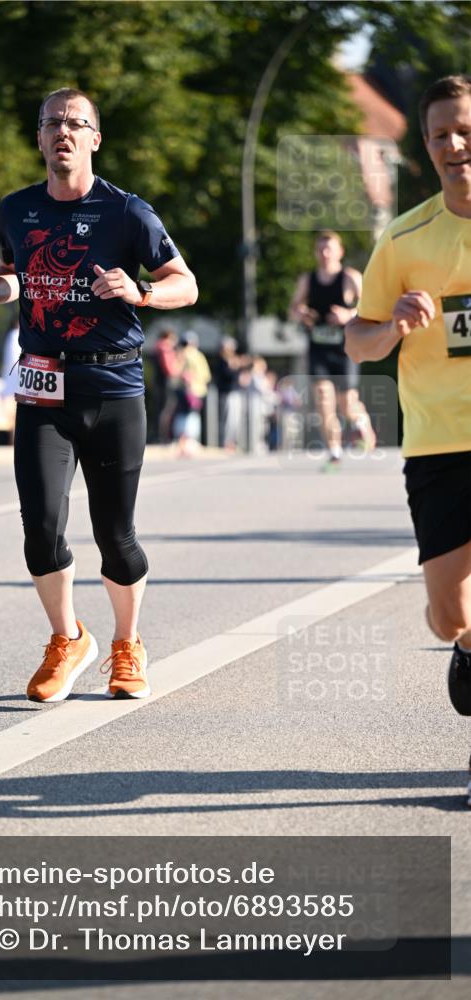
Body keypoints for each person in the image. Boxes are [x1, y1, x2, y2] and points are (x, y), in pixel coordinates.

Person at [0, 87, 197, 702]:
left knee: (114, 532)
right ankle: (67, 638)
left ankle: (127, 644)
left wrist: (141, 292)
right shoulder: (16, 209)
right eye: (51, 123)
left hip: (114, 382)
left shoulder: (128, 213)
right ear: (39, 138)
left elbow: (185, 283)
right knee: (40, 526)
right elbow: (17, 272)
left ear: (95, 137)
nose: (62, 132)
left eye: (75, 123)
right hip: (43, 384)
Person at [345, 74, 471, 800]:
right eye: (439, 136)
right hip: (436, 443)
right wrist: (391, 321)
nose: (454, 145)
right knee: (450, 612)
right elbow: (357, 343)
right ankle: (463, 647)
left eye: (462, 130)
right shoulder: (405, 237)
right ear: (425, 147)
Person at [289, 231, 376, 471]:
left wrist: (348, 315)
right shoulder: (308, 280)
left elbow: (372, 307)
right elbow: (293, 309)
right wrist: (301, 314)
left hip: (345, 348)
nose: (325, 254)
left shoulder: (350, 278)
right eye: (320, 249)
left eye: (329, 248)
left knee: (347, 403)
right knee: (324, 400)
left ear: (340, 251)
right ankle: (334, 453)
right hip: (318, 348)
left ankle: (362, 423)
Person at [172, 331, 211, 457]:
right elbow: (206, 376)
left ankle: (183, 443)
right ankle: (189, 443)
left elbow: (176, 372)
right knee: (192, 416)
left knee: (183, 415)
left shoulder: (182, 354)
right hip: (196, 391)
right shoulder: (198, 355)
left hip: (186, 390)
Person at [152, 326, 180, 443]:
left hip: (159, 382)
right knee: (166, 410)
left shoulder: (157, 347)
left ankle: (159, 436)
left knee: (160, 409)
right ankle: (163, 437)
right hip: (165, 383)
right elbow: (170, 369)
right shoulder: (165, 348)